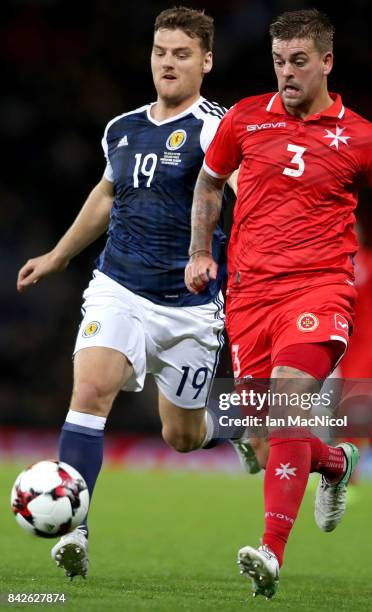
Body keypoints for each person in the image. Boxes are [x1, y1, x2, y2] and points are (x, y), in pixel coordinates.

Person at [185, 8, 372, 599]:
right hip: (248, 296)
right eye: (278, 62)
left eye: (298, 62)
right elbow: (207, 183)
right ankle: (336, 463)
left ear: (326, 61)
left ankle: (270, 554)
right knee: (261, 432)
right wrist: (201, 250)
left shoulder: (363, 137)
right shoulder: (245, 119)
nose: (286, 74)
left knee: (285, 407)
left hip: (320, 289)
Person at [16, 6, 254, 580]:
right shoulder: (120, 129)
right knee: (91, 389)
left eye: (182, 53)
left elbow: (248, 196)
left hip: (192, 306)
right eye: (160, 51)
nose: (168, 63)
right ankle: (77, 533)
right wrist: (59, 255)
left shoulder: (216, 127)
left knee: (181, 434)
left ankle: (239, 430)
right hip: (118, 286)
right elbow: (105, 196)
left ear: (207, 61)